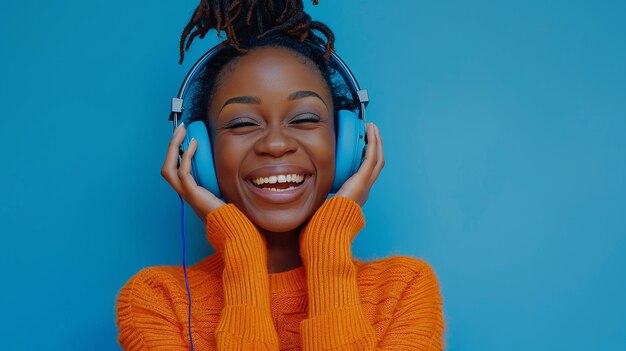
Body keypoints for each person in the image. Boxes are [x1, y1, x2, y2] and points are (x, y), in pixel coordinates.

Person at [116, 1, 444, 349]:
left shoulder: (403, 292)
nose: (275, 144)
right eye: (242, 123)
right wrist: (241, 254)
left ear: (348, 142)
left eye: (304, 119)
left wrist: (328, 244)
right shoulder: (158, 302)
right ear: (199, 152)